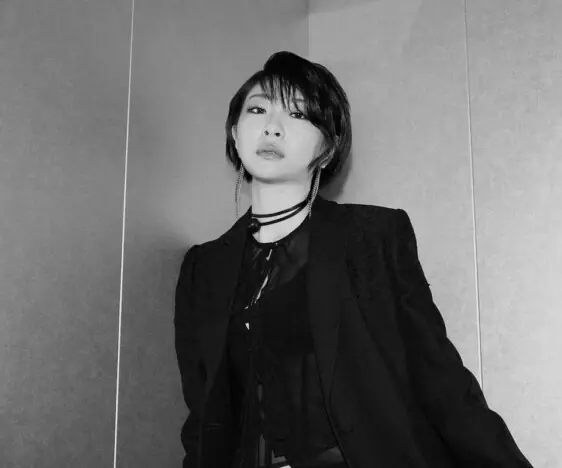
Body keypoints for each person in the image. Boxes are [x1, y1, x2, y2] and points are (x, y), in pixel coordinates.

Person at [174, 51, 532, 468]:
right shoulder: (203, 268)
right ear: (235, 135)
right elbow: (203, 418)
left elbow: (440, 379)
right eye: (257, 110)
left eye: (297, 114)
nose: (272, 126)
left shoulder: (373, 237)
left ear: (327, 148)